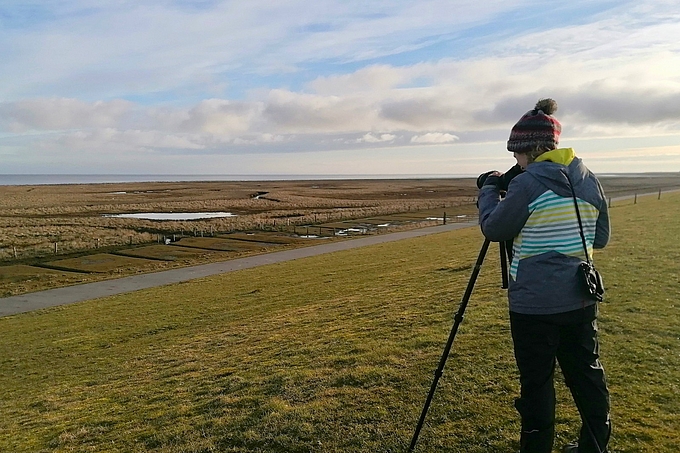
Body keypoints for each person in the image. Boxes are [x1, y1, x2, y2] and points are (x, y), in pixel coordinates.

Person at [477, 99, 611, 453]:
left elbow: (494, 227)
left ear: (528, 151)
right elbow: (600, 239)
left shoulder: (528, 184)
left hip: (534, 306)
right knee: (587, 376)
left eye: (516, 155)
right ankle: (594, 447)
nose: (516, 163)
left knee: (537, 384)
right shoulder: (588, 180)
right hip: (581, 297)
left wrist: (489, 192)